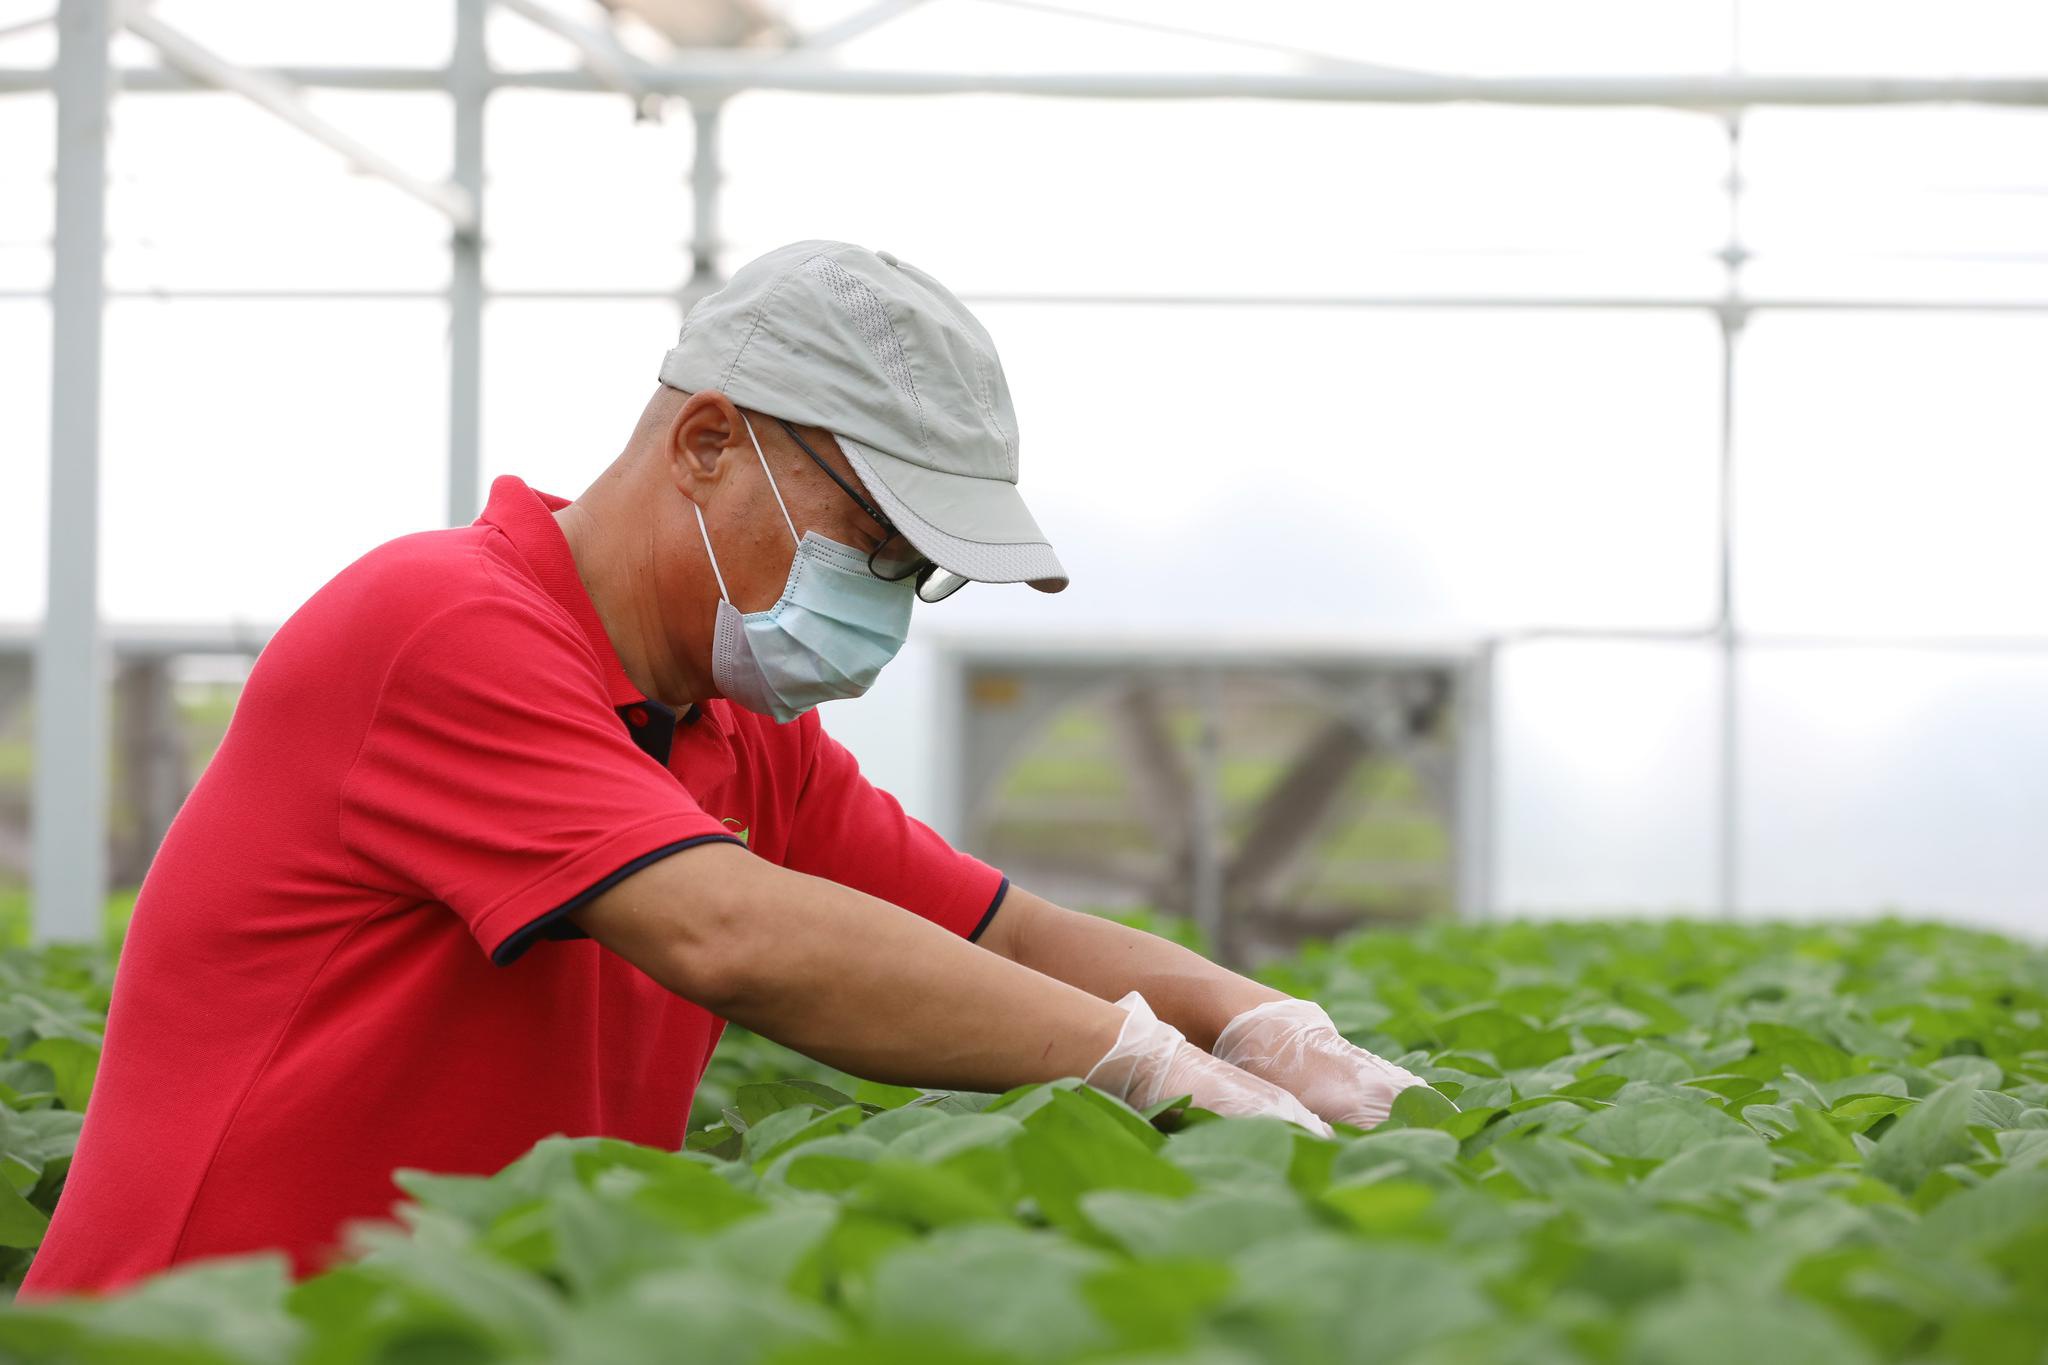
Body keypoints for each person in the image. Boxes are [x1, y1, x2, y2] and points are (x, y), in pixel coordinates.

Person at [18, 240, 1427, 1300]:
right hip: (208, 1317)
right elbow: (731, 931)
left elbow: (1006, 933)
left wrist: (1262, 1022)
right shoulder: (440, 626)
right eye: (871, 539)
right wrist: (1141, 1063)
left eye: (912, 571)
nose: (884, 593)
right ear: (705, 443)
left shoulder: (738, 734)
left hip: (442, 1314)